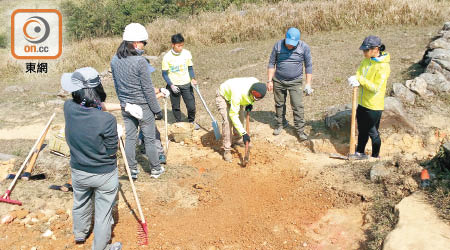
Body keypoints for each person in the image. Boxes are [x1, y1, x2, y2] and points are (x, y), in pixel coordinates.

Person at [61, 67, 122, 250]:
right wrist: (118, 135)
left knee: (80, 202)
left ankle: (80, 234)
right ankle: (101, 247)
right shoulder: (107, 121)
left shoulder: (69, 108)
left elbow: (89, 106)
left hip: (79, 170)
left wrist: (122, 105)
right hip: (104, 174)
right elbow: (112, 151)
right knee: (103, 213)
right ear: (99, 89)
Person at [110, 23, 164, 179]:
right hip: (143, 107)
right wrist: (157, 110)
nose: (144, 46)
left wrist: (124, 103)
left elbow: (116, 84)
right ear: (135, 43)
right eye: (143, 43)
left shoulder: (115, 60)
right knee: (149, 138)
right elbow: (147, 89)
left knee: (131, 138)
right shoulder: (140, 61)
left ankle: (132, 170)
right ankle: (155, 169)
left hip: (127, 106)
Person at [267, 27, 313, 141]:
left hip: (295, 81)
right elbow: (272, 63)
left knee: (297, 106)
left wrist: (308, 84)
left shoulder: (304, 47)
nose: (290, 46)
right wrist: (269, 80)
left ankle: (300, 130)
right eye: (288, 43)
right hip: (278, 80)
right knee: (279, 104)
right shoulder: (278, 46)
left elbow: (308, 66)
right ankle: (280, 124)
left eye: (293, 44)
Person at [348, 35, 390, 159]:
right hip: (362, 102)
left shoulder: (383, 67)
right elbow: (359, 73)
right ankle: (359, 152)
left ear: (376, 49)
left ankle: (375, 156)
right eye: (363, 50)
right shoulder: (367, 60)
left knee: (372, 131)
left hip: (373, 105)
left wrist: (359, 80)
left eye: (366, 50)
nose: (364, 52)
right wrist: (356, 79)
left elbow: (375, 87)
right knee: (362, 130)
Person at [216, 77, 267, 162]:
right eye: (254, 97)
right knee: (228, 121)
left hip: (238, 96)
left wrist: (250, 103)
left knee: (241, 118)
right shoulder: (238, 94)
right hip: (224, 97)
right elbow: (233, 115)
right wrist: (244, 133)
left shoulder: (256, 84)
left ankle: (238, 139)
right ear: (251, 91)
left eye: (258, 98)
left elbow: (254, 96)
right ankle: (227, 149)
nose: (256, 99)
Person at [162, 33, 199, 129]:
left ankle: (191, 122)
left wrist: (193, 78)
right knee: (176, 107)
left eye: (182, 45)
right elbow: (164, 74)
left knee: (191, 106)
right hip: (174, 86)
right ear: (173, 45)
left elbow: (190, 68)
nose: (181, 48)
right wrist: (171, 85)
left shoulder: (186, 53)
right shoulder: (167, 57)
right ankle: (179, 123)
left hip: (186, 84)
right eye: (178, 46)